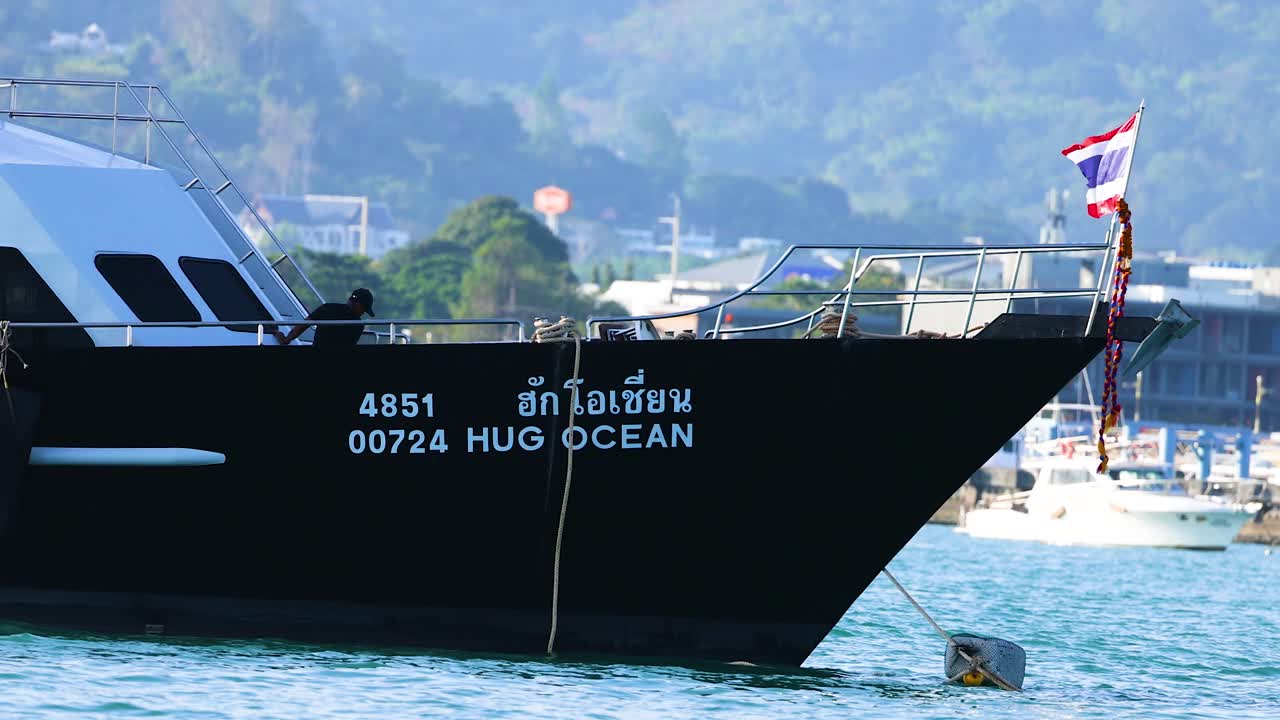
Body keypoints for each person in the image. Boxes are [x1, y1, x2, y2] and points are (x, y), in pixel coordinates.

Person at [275, 288, 375, 346]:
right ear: (358, 304)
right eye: (364, 308)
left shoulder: (326, 308)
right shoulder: (357, 324)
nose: (363, 313)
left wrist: (286, 339)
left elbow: (302, 326)